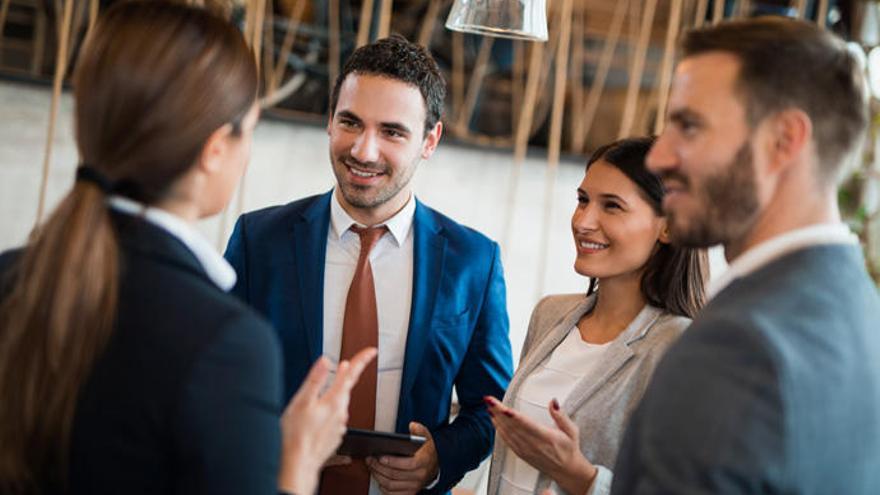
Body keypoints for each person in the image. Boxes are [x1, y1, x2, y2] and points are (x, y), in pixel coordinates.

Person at [0, 2, 374, 494]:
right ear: (216, 148)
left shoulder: (11, 277)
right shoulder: (227, 342)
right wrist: (298, 463)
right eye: (251, 129)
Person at [224, 35, 513, 494]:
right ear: (329, 122)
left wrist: (439, 454)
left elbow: (492, 410)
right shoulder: (258, 241)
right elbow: (219, 382)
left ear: (429, 140)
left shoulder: (473, 261)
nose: (363, 150)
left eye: (392, 132)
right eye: (350, 123)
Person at [609, 17, 880, 494]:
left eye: (689, 126)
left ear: (784, 140)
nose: (659, 157)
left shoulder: (741, 347)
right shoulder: (859, 308)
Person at [484, 137, 708, 495]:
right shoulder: (551, 314)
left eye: (612, 206)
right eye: (583, 200)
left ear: (667, 227)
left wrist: (583, 479)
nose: (584, 221)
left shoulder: (680, 345)